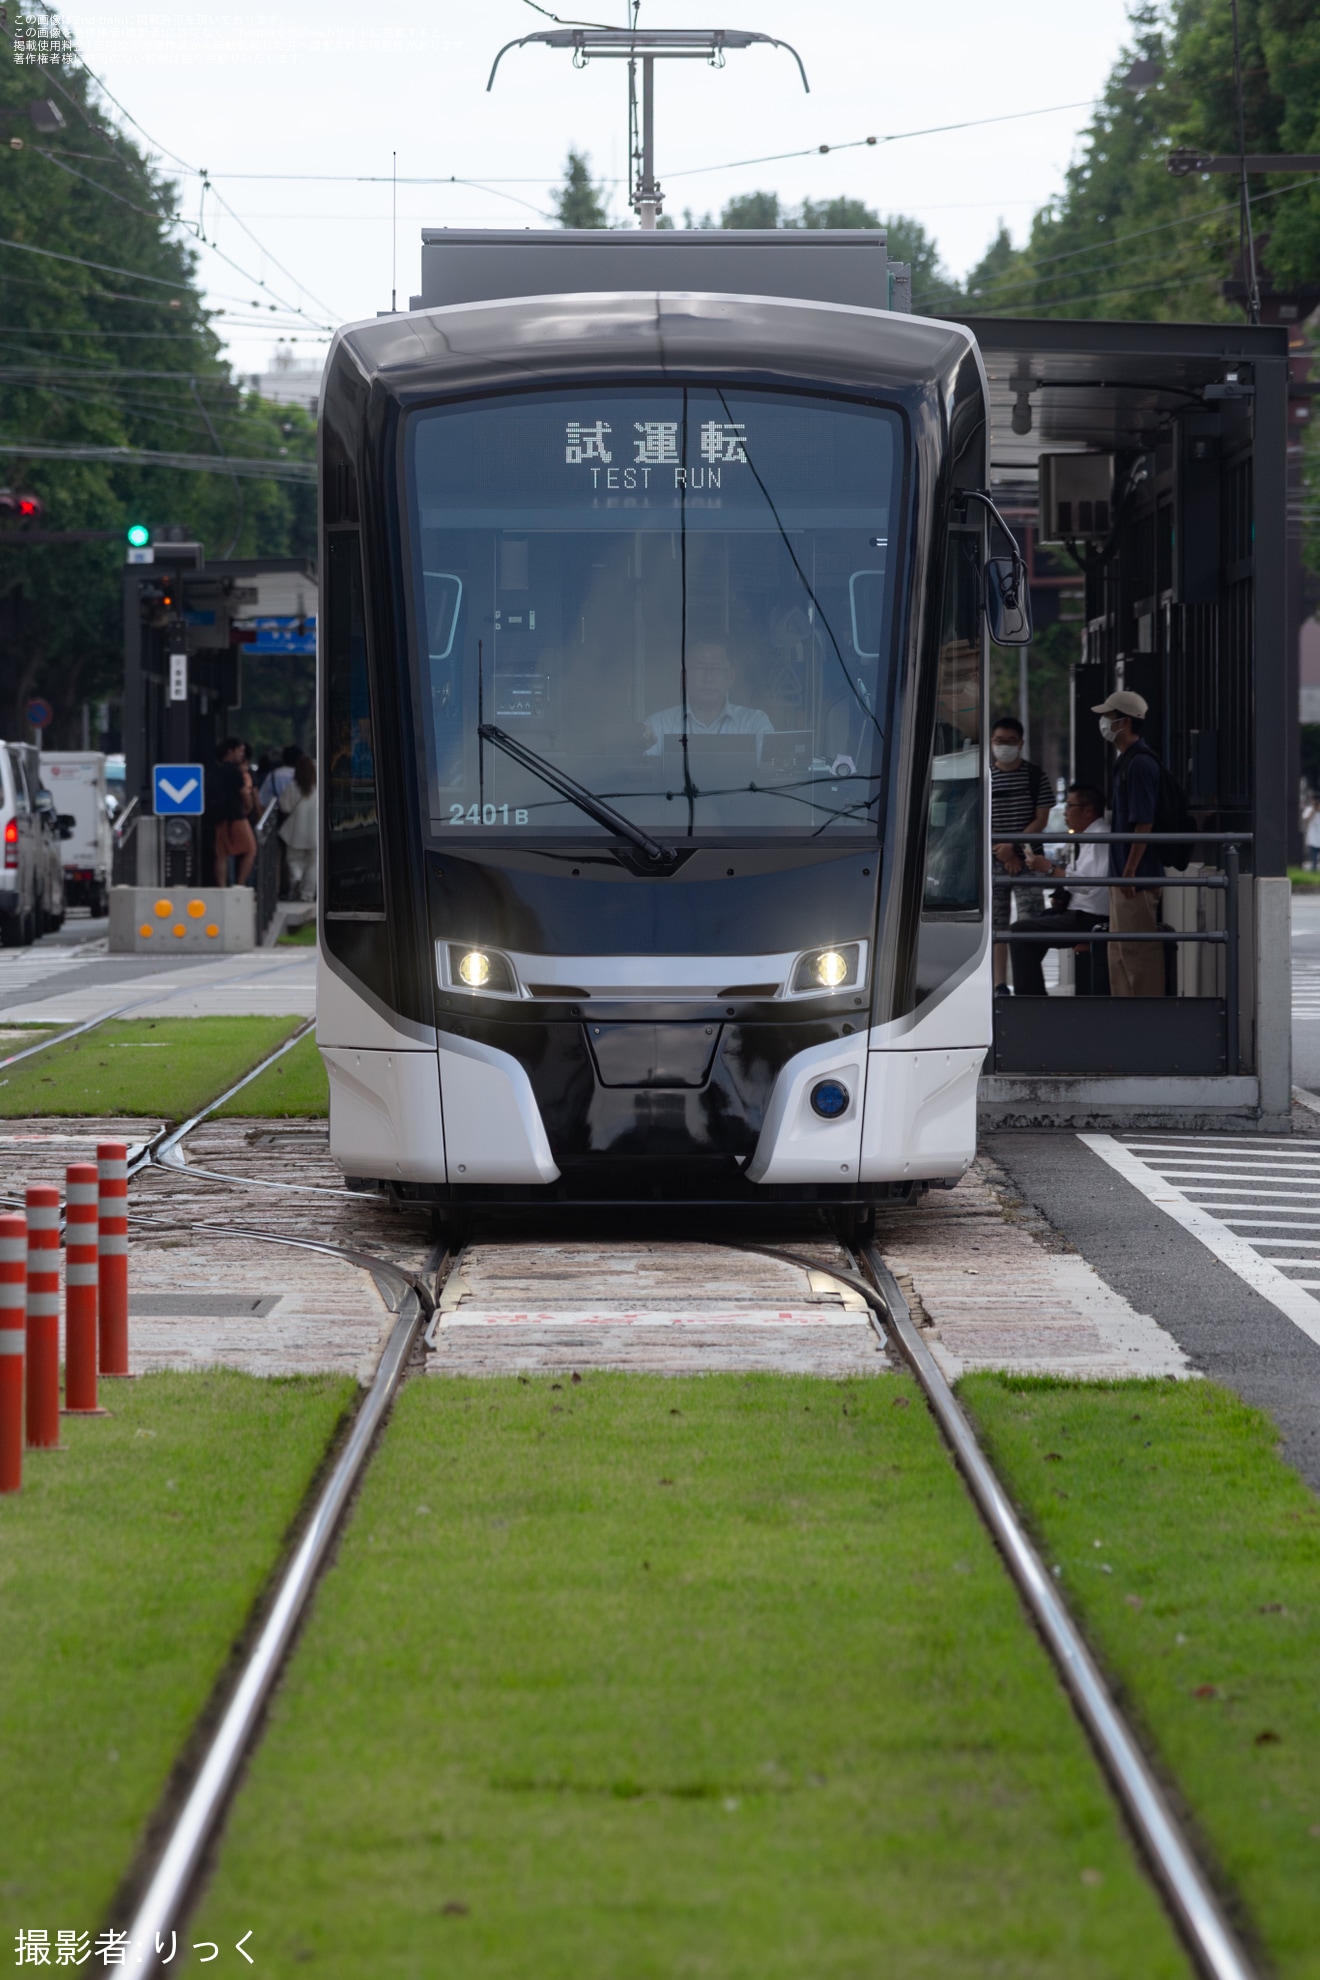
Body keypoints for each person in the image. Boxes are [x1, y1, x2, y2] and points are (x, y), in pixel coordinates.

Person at [1094, 689, 1164, 997]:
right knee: (1120, 950)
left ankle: (1145, 1018)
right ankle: (1124, 1013)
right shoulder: (1127, 761)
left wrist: (1131, 869)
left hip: (1133, 876)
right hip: (1124, 873)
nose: (1103, 722)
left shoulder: (1140, 764)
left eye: (1108, 716)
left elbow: (1144, 821)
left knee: (1138, 953)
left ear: (1124, 722)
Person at [1009, 785, 1111, 996]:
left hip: (1089, 917)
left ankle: (1031, 1000)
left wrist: (1049, 869)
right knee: (1030, 930)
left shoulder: (1100, 838)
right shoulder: (1089, 837)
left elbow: (1088, 883)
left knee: (1018, 931)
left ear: (1088, 810)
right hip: (1080, 912)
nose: (1065, 813)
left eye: (1070, 806)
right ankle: (1032, 995)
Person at [989, 715, 1051, 995]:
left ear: (1021, 743)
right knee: (996, 925)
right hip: (993, 860)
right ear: (992, 743)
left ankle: (1028, 982)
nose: (1004, 746)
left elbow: (1041, 820)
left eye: (1010, 741)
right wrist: (1001, 852)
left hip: (1027, 859)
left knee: (1031, 922)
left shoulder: (1036, 776)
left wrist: (1012, 848)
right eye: (999, 741)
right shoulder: (986, 778)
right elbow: (978, 821)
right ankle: (999, 984)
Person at [643, 641, 772, 755]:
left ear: (731, 676)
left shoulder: (754, 724)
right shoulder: (658, 725)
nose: (708, 678)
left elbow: (770, 772)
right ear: (685, 676)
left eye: (717, 668)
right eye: (699, 668)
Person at [212, 736, 257, 887]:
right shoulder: (236, 772)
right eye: (239, 751)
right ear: (229, 751)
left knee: (222, 854)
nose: (241, 755)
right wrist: (249, 807)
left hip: (219, 817)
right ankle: (240, 883)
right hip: (237, 816)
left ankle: (222, 886)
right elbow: (245, 794)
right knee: (250, 849)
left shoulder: (216, 771)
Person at [278, 754, 317, 900]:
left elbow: (285, 807)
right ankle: (308, 894)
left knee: (294, 861)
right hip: (314, 834)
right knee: (313, 865)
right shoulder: (319, 789)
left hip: (295, 832)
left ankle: (296, 879)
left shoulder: (292, 787)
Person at [260, 743, 302, 809]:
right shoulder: (303, 776)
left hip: (278, 815)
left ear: (283, 759)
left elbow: (262, 801)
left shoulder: (272, 776)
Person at [1304, 791, 1320, 873]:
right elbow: (1306, 820)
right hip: (1313, 836)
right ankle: (1314, 869)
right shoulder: (1309, 809)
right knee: (1313, 855)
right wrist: (1313, 811)